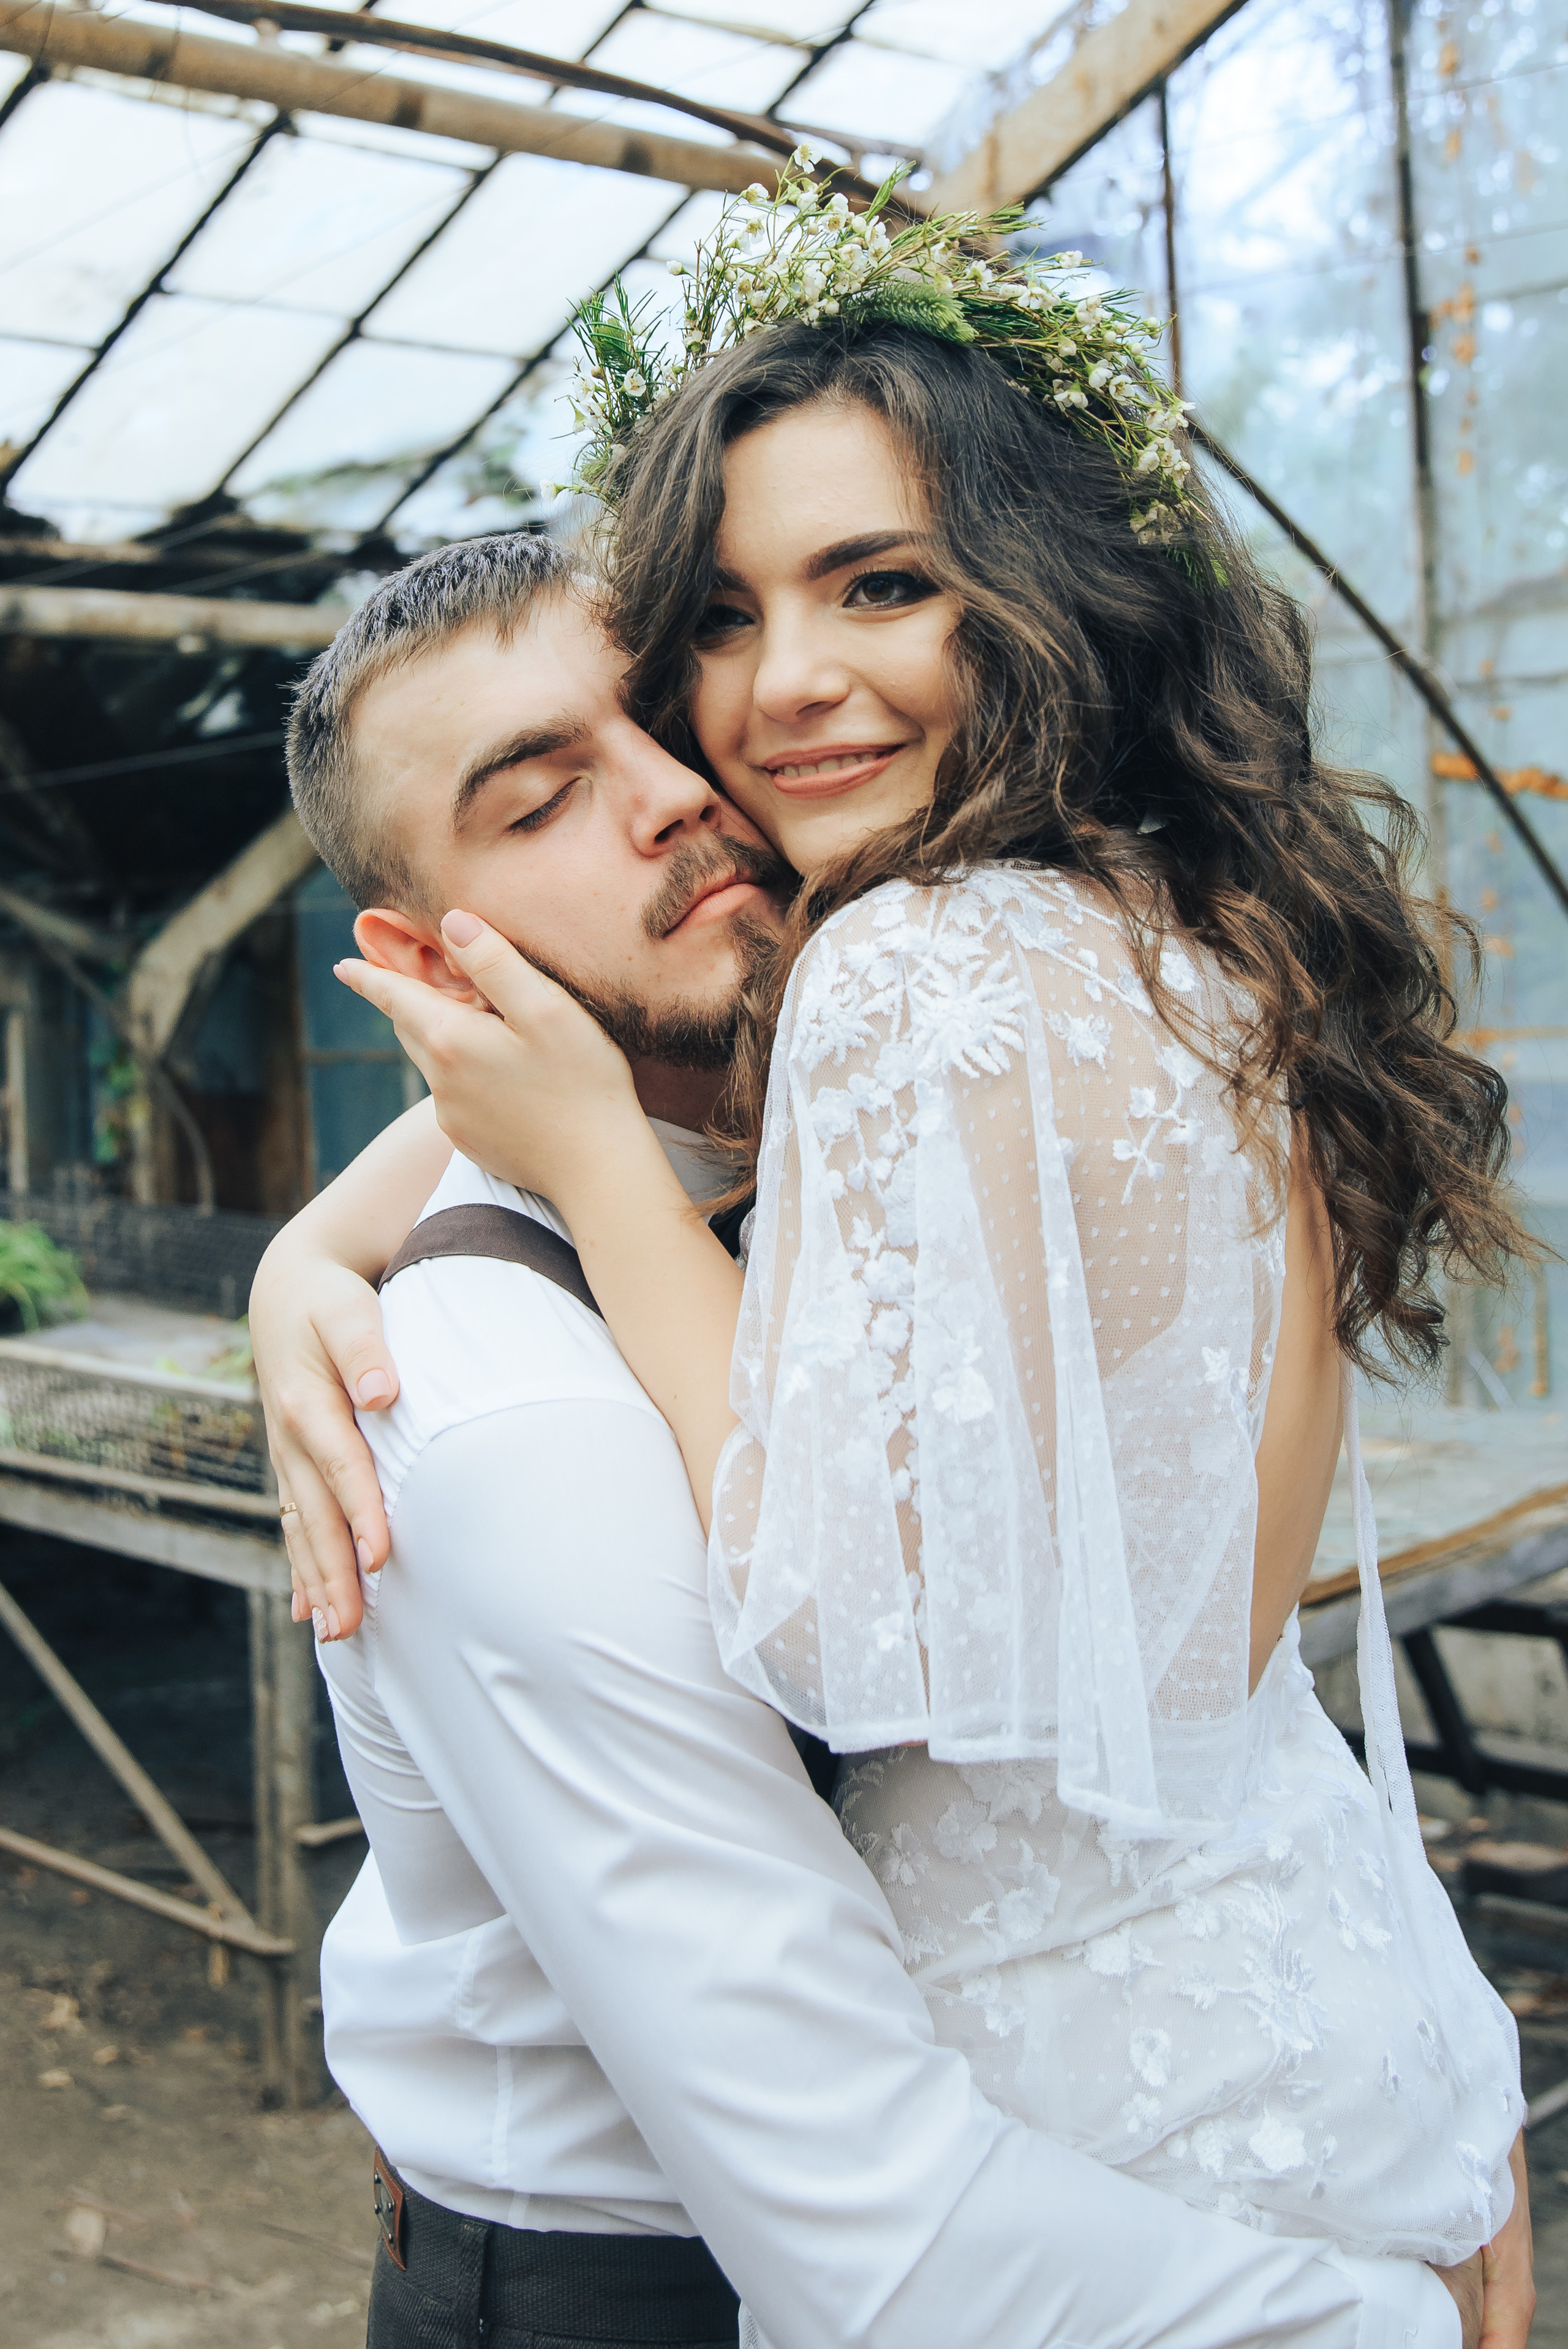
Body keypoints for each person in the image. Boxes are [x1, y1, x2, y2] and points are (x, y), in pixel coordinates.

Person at [301, 167, 1534, 2322]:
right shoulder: (1182, 937)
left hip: (1109, 2162)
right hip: (1298, 2054)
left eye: (878, 584)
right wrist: (317, 1250)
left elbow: (850, 1625)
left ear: (1027, 596)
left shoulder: (911, 976)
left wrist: (580, 1152)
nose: (725, 748)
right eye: (721, 627)